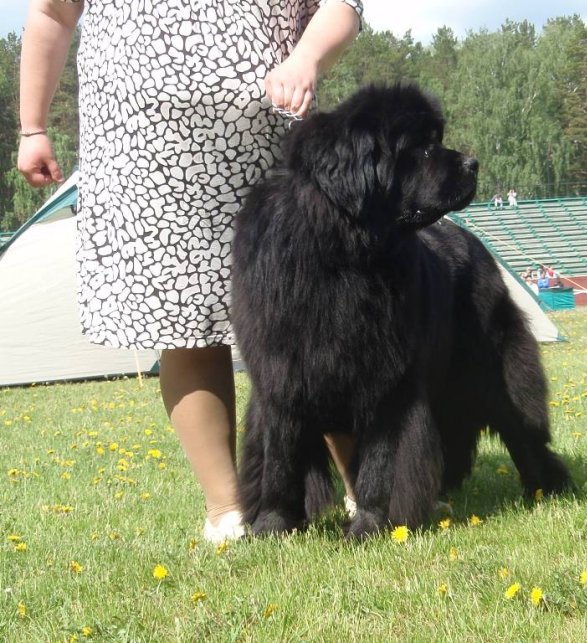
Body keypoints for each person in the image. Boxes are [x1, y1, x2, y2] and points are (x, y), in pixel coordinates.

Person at [17, 0, 363, 543]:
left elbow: (343, 4)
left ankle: (367, 492)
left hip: (270, 140)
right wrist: (32, 127)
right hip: (140, 151)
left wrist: (306, 58)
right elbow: (51, 15)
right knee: (182, 323)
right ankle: (229, 512)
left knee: (315, 326)